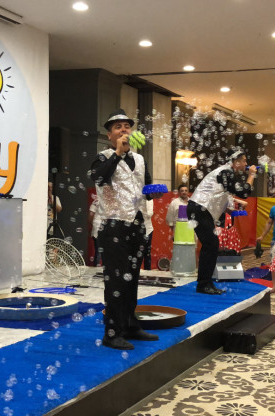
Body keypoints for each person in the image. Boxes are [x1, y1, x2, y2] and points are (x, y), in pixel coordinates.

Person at [90, 109, 161, 350]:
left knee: (132, 278)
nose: (124, 130)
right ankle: (112, 333)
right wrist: (118, 154)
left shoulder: (139, 159)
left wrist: (153, 193)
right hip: (113, 225)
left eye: (127, 126)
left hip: (138, 224)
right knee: (116, 281)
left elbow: (145, 187)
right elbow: (99, 179)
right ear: (109, 135)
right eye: (118, 127)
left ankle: (130, 324)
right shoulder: (102, 158)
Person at [188, 147, 256, 295]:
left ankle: (205, 283)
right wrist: (251, 175)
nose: (246, 164)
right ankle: (203, 284)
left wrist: (228, 209)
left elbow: (220, 194)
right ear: (236, 161)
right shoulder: (226, 172)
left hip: (201, 210)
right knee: (211, 244)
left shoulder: (226, 173)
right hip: (199, 209)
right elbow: (244, 192)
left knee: (211, 244)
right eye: (244, 161)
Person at [87, 194, 102, 266]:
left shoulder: (96, 200)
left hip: (97, 228)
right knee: (100, 252)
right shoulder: (97, 201)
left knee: (98, 251)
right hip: (101, 229)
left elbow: (90, 215)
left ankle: (97, 268)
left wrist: (92, 226)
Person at [140, 199, 154, 270]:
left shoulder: (149, 199)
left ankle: (148, 271)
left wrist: (141, 211)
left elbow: (149, 214)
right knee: (136, 252)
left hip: (148, 229)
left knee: (147, 253)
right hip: (136, 229)